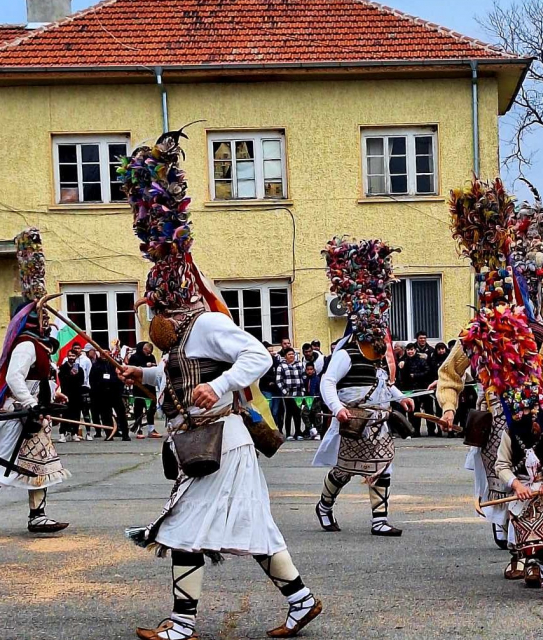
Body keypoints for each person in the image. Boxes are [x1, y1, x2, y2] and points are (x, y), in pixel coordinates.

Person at [118, 130, 321, 640]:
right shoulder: (178, 344)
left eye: (152, 312)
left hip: (222, 442)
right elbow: (179, 380)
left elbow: (256, 353)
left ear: (168, 303)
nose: (149, 324)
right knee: (254, 531)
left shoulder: (205, 324)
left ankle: (181, 625)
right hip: (209, 444)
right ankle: (302, 602)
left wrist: (225, 384)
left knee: (185, 527)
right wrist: (140, 375)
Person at [439, 177, 543, 553]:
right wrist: (449, 408)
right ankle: (516, 551)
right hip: (497, 420)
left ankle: (535, 556)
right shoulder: (475, 336)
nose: (495, 307)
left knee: (542, 480)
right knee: (505, 488)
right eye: (489, 299)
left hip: (533, 413)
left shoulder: (530, 331)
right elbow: (449, 373)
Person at [313, 237, 415, 537]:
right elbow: (327, 382)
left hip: (379, 423)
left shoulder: (379, 357)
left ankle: (379, 520)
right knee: (345, 469)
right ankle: (324, 506)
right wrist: (338, 408)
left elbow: (382, 385)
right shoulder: (345, 354)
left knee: (384, 467)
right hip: (354, 422)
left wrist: (401, 399)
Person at [0, 228, 71, 533]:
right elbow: (15, 377)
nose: (50, 324)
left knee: (37, 465)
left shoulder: (40, 348)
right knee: (4, 463)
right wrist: (30, 404)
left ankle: (37, 517)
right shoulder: (27, 345)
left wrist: (54, 396)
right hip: (18, 414)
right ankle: (37, 516)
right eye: (46, 319)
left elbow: (39, 380)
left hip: (33, 414)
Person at [494, 413, 543, 602]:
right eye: (531, 418)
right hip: (522, 495)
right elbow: (501, 465)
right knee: (527, 543)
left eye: (538, 417)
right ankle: (530, 565)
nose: (535, 422)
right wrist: (516, 484)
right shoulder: (510, 433)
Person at [91, 348, 130, 440]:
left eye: (106, 353)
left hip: (115, 393)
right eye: (102, 353)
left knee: (121, 414)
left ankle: (125, 434)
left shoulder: (115, 364)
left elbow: (121, 378)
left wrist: (119, 389)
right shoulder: (96, 365)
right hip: (103, 395)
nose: (104, 355)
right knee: (105, 415)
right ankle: (109, 433)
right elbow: (92, 380)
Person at [128, 342, 160, 439]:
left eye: (149, 351)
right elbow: (132, 369)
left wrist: (153, 365)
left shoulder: (151, 357)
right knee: (139, 406)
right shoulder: (134, 357)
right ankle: (138, 429)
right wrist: (145, 365)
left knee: (152, 407)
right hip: (139, 385)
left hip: (150, 385)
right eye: (146, 350)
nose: (148, 353)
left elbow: (156, 368)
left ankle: (151, 429)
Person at [276, 347, 306, 440]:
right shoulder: (281, 366)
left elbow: (304, 376)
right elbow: (279, 380)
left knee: (298, 413)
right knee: (289, 413)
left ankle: (298, 432)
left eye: (293, 354)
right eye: (289, 354)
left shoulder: (300, 365)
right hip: (288, 394)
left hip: (299, 393)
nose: (291, 356)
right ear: (285, 356)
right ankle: (288, 433)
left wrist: (303, 390)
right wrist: (285, 391)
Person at [57, 348, 84, 442]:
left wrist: (75, 375)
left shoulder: (79, 369)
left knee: (76, 414)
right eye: (70, 356)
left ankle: (74, 433)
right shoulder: (62, 368)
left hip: (76, 394)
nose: (71, 358)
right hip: (66, 393)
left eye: (73, 356)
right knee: (65, 414)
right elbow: (61, 381)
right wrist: (70, 375)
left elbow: (81, 381)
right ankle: (62, 433)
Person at [302, 362, 324, 440]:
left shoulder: (317, 379)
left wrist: (317, 396)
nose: (309, 371)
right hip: (307, 400)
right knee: (305, 413)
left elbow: (320, 389)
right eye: (308, 369)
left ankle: (318, 432)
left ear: (314, 370)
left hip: (316, 400)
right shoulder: (304, 379)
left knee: (317, 416)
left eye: (311, 369)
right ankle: (310, 429)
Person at [77, 343, 95, 438]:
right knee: (75, 411)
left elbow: (89, 374)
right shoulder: (67, 360)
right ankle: (74, 432)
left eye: (78, 348)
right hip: (74, 388)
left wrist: (88, 385)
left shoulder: (86, 360)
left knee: (86, 411)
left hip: (85, 387)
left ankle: (88, 433)